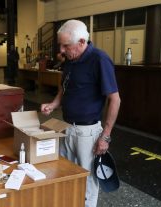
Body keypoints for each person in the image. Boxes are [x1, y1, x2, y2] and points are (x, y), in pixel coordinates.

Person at [41, 20, 121, 207]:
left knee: (88, 184)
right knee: (67, 176)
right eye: (60, 44)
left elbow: (115, 99)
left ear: (82, 42)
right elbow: (65, 87)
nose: (61, 50)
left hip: (88, 133)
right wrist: (53, 104)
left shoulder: (100, 60)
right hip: (67, 127)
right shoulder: (70, 60)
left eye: (65, 45)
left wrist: (105, 137)